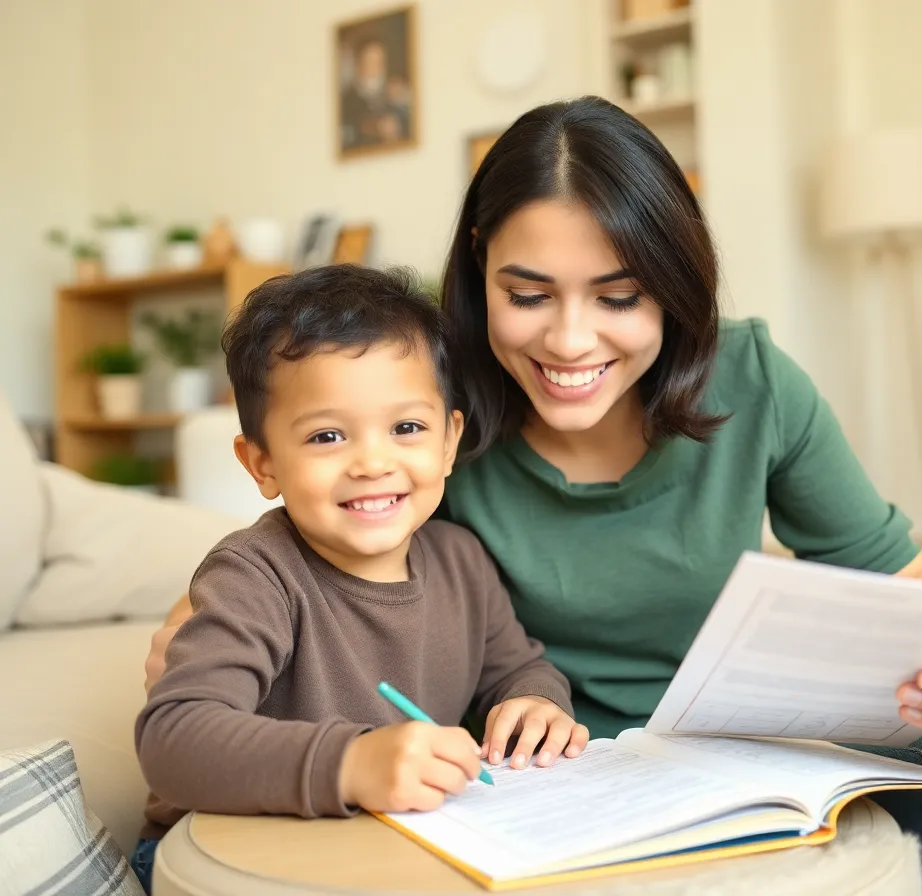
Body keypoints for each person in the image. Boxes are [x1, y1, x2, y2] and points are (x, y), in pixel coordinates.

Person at [145, 97, 922, 895]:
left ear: (673, 283)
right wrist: (201, 619)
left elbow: (900, 573)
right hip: (576, 768)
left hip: (777, 736)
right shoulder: (427, 406)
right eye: (527, 294)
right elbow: (301, 549)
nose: (570, 341)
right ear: (479, 267)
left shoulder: (752, 379)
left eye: (620, 296)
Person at [131, 265, 587, 893]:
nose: (373, 462)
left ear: (449, 442)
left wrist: (535, 702)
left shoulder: (462, 560)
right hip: (229, 862)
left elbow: (518, 669)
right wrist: (352, 764)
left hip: (387, 853)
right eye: (327, 436)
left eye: (407, 428)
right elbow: (173, 742)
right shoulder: (254, 574)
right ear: (262, 464)